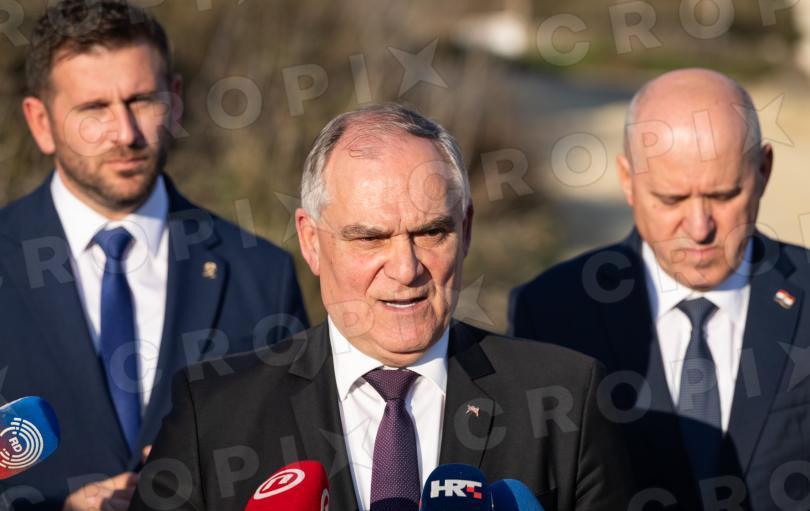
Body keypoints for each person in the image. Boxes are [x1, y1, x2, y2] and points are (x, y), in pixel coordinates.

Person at [128, 103, 634, 511]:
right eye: (369, 238)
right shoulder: (213, 414)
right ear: (311, 241)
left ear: (466, 230)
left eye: (431, 232)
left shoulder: (564, 400)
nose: (405, 268)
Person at [0, 1, 308, 509]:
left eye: (142, 100)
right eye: (94, 109)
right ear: (40, 122)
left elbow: (298, 466)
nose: (126, 133)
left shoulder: (261, 276)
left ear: (176, 100)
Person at [510, 68, 810, 510]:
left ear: (763, 170)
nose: (700, 228)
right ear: (627, 180)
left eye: (723, 196)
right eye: (671, 199)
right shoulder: (551, 312)